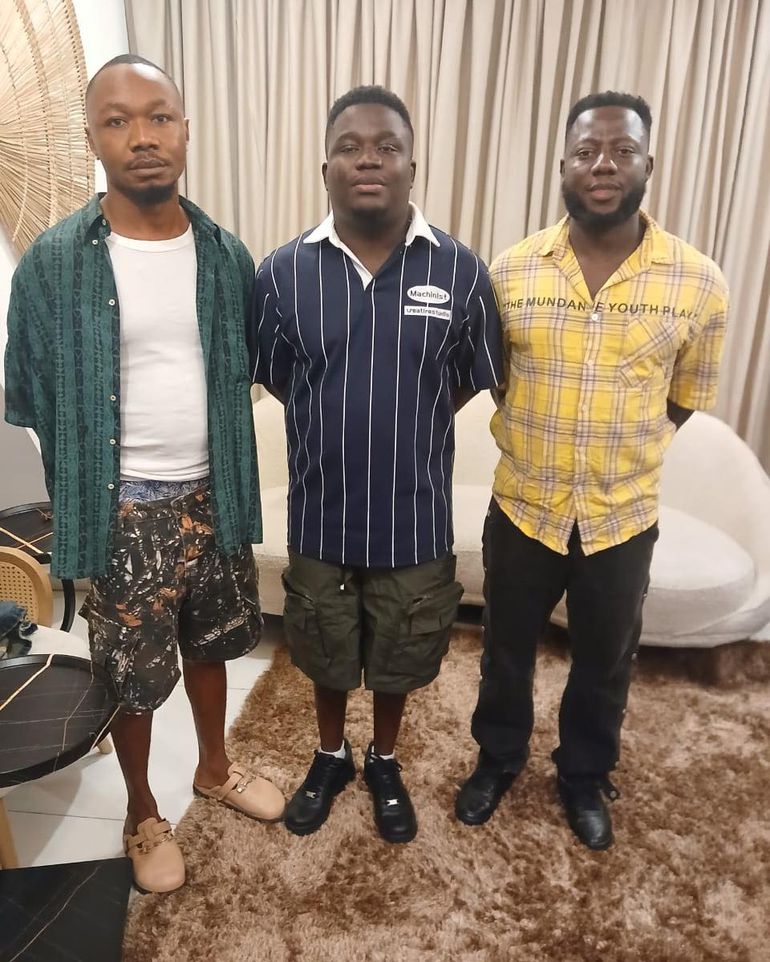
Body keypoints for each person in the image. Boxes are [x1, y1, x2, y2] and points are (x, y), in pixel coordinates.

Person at [4, 55, 284, 893]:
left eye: (158, 116)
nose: (142, 136)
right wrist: (91, 484)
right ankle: (141, 812)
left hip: (216, 494)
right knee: (132, 674)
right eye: (117, 120)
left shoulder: (226, 255)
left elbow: (246, 372)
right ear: (93, 138)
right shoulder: (54, 262)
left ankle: (214, 769)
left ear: (185, 131)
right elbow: (29, 393)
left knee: (214, 647)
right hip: (122, 509)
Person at [455, 91, 729, 850]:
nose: (603, 164)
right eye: (586, 152)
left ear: (648, 163)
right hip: (524, 506)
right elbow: (499, 379)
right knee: (504, 652)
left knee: (605, 663)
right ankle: (497, 759)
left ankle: (583, 775)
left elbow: (685, 398)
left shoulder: (699, 282)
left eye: (622, 150)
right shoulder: (510, 272)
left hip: (622, 517)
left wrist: (621, 448)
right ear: (564, 166)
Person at [249, 85, 503, 844]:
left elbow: (466, 379)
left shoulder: (460, 271)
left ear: (411, 166)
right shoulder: (281, 273)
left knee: (400, 654)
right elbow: (281, 376)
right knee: (325, 647)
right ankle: (330, 756)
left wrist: (406, 416)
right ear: (324, 166)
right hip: (320, 513)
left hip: (414, 515)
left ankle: (384, 760)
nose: (368, 159)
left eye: (386, 147)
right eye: (350, 146)